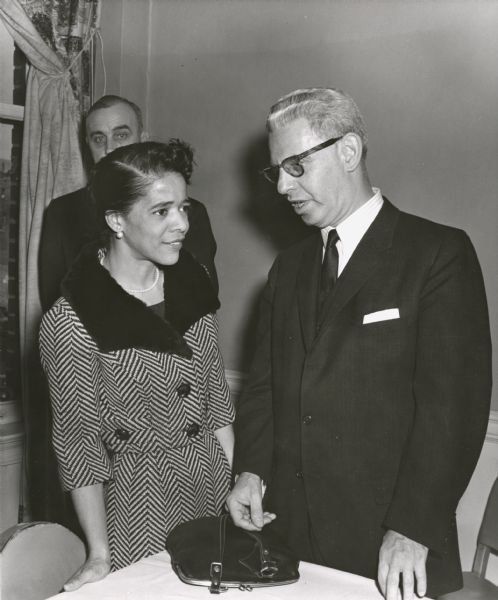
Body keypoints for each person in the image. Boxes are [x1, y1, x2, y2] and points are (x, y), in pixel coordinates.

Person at [227, 88, 492, 600]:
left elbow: (453, 410)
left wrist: (413, 526)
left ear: (348, 152)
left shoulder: (437, 254)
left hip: (391, 546)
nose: (282, 185)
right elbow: (263, 387)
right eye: (276, 171)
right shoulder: (289, 269)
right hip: (289, 540)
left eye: (296, 166)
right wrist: (251, 471)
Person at [39, 140, 234, 590]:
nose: (182, 224)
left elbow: (219, 403)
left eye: (183, 207)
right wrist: (99, 553)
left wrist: (240, 487)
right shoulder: (70, 322)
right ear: (116, 221)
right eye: (162, 211)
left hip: (212, 486)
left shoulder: (193, 283)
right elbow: (79, 448)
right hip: (137, 503)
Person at [39, 94, 218, 312]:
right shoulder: (63, 212)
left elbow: (202, 293)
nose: (109, 148)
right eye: (98, 139)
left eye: (121, 135)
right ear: (87, 145)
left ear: (142, 138)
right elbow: (53, 299)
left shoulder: (190, 213)